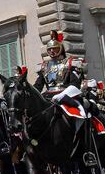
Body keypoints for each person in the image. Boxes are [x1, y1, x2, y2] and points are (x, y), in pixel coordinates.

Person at [34, 30, 96, 164]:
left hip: (68, 96)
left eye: (54, 48)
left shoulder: (71, 63)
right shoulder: (44, 66)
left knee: (84, 115)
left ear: (60, 48)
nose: (51, 51)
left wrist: (61, 95)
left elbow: (75, 84)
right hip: (48, 97)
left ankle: (88, 150)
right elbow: (38, 86)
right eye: (49, 49)